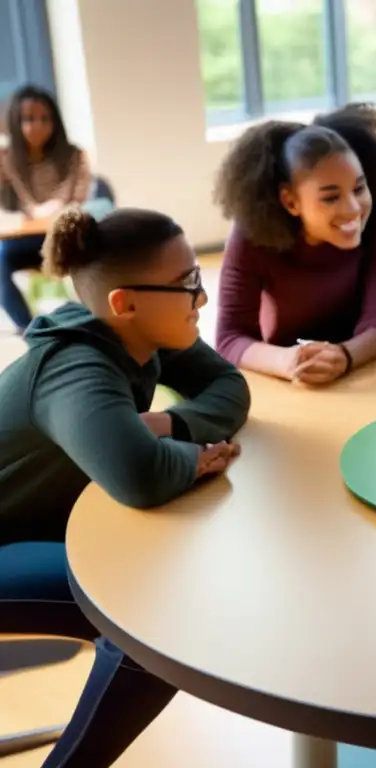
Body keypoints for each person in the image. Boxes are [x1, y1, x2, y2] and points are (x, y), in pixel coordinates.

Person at [0, 207, 251, 766]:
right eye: (187, 284)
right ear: (125, 302)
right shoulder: (77, 367)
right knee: (154, 626)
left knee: (159, 610)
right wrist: (197, 455)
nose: (201, 299)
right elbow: (139, 476)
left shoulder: (142, 333)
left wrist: (170, 424)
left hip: (44, 523)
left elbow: (230, 386)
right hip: (6, 542)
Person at [214, 103, 376, 385]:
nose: (353, 209)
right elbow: (230, 337)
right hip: (283, 377)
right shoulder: (252, 233)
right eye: (331, 197)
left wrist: (344, 356)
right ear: (290, 201)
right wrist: (290, 361)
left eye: (359, 188)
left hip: (361, 372)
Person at [0, 86, 94, 332]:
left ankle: (93, 315)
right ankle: (29, 326)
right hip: (24, 241)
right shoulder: (7, 159)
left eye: (45, 119)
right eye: (28, 119)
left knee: (94, 254)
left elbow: (78, 200)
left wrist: (54, 209)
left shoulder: (74, 156)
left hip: (64, 235)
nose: (37, 126)